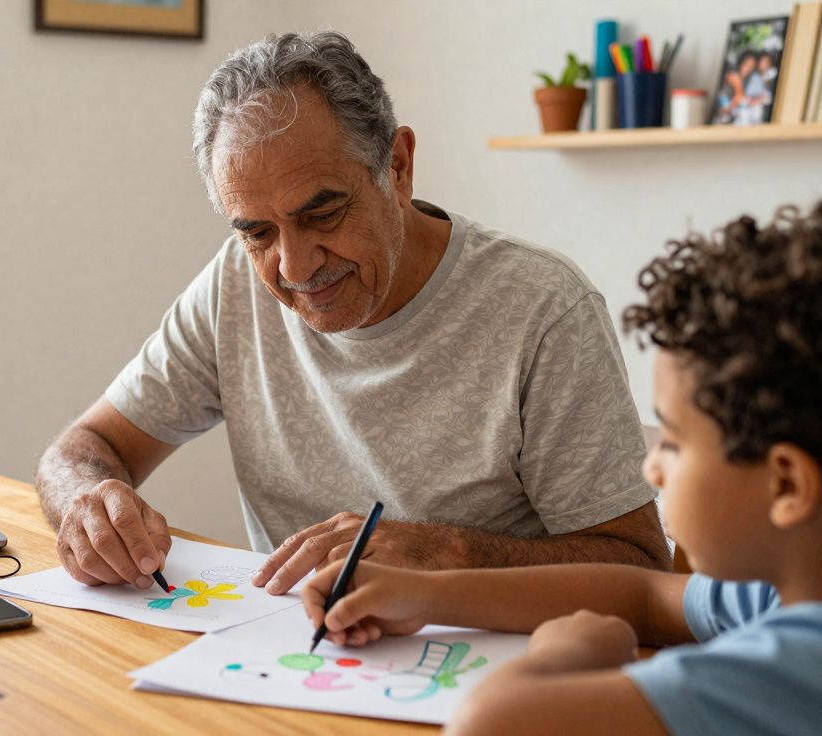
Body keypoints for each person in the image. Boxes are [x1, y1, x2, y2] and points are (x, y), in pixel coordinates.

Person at [35, 32, 668, 594]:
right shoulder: (234, 284)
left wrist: (447, 554)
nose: (295, 267)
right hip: (293, 662)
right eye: (257, 232)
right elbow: (83, 448)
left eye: (321, 214)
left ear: (397, 167)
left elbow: (640, 569)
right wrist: (87, 504)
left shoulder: (542, 309)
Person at [301, 202, 822, 735]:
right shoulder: (790, 589)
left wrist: (565, 655)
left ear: (787, 484)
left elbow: (485, 725)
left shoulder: (813, 661)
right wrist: (423, 594)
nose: (653, 468)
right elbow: (645, 596)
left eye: (674, 444)